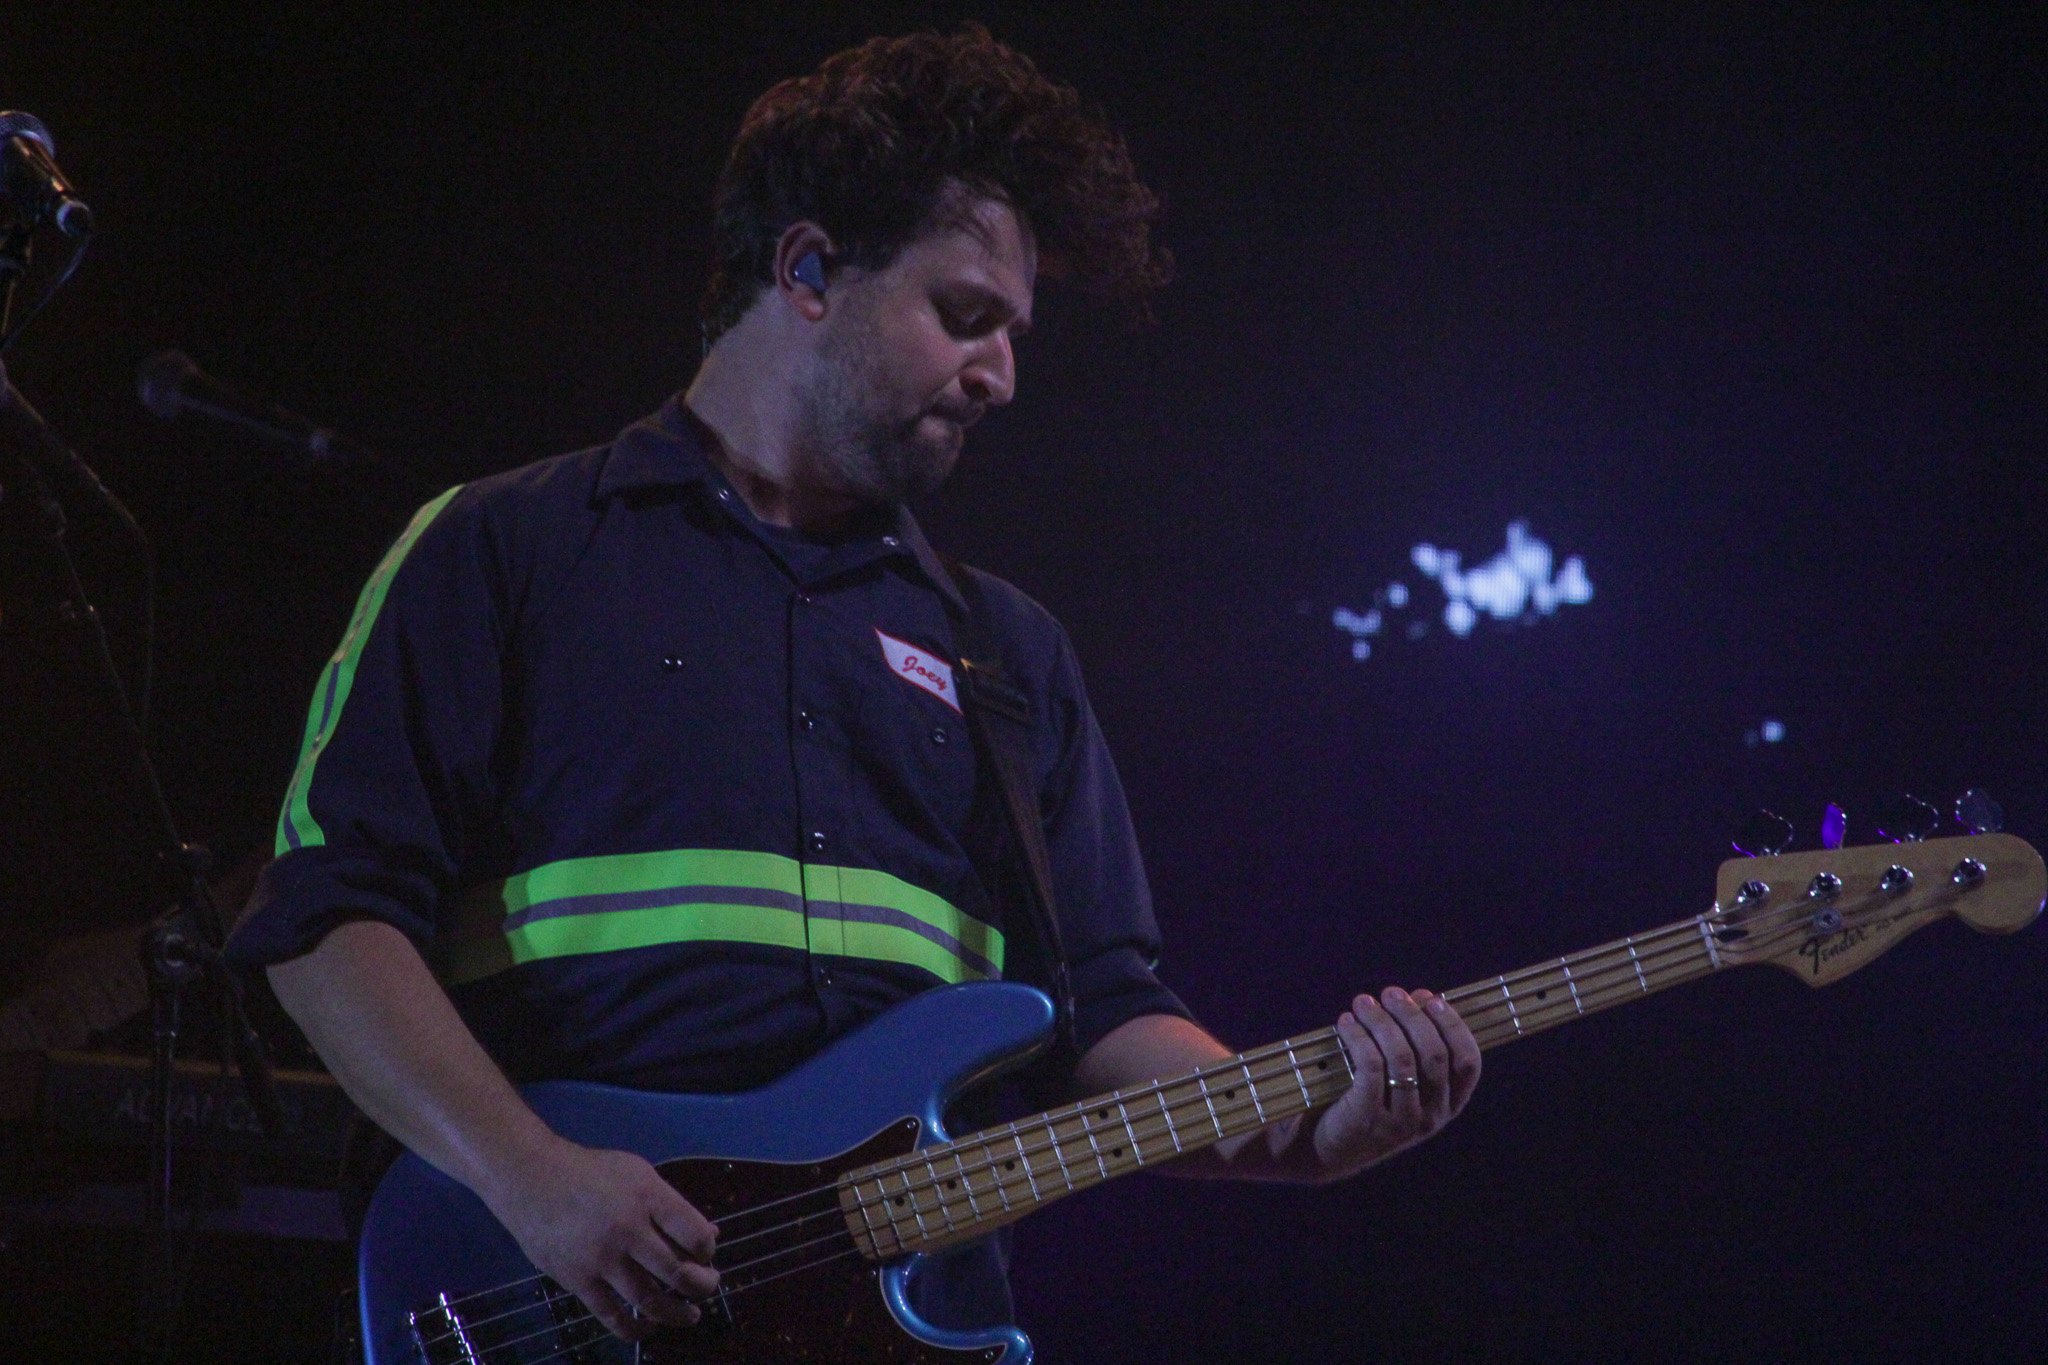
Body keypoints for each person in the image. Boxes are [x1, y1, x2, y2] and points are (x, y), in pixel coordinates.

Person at [228, 25, 1482, 1346]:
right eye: (966, 315)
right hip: (554, 1300)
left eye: (1014, 333)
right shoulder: (505, 548)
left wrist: (1313, 1129)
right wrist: (535, 1184)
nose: (1002, 375)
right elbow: (323, 923)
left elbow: (1104, 1016)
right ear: (809, 269)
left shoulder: (1010, 655)